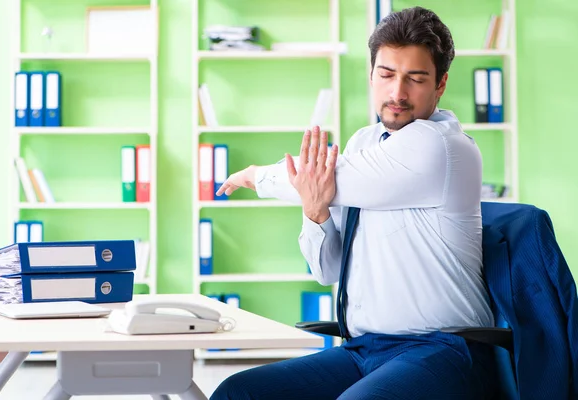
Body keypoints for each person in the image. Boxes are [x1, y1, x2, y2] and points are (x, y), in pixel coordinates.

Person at [211, 6, 497, 400]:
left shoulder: (440, 145)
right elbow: (327, 269)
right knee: (238, 392)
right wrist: (315, 211)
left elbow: (326, 178)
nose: (398, 92)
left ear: (441, 84)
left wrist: (254, 175)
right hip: (364, 349)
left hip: (442, 350)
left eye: (416, 78)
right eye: (386, 75)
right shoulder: (365, 142)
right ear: (371, 75)